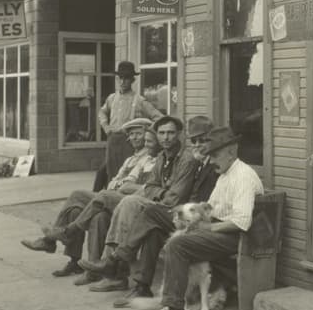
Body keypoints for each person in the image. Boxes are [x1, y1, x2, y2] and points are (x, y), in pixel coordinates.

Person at [82, 116, 218, 299]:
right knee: (105, 215)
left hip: (187, 217)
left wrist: (159, 193)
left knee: (132, 205)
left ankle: (114, 262)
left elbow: (175, 197)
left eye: (203, 140)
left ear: (178, 135)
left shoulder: (200, 163)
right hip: (177, 213)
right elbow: (150, 187)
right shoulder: (166, 158)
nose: (198, 145)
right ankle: (140, 286)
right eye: (194, 140)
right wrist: (161, 192)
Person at [155, 126, 264, 310]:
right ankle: (173, 300)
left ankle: (175, 309)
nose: (211, 160)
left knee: (178, 245)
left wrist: (206, 228)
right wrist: (190, 220)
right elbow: (210, 207)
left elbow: (241, 222)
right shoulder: (225, 175)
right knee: (175, 236)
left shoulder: (242, 176)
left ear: (231, 152)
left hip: (237, 236)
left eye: (215, 155)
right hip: (219, 228)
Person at [20, 118, 159, 277]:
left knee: (78, 195)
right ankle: (76, 262)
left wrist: (120, 185)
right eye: (131, 135)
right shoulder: (131, 159)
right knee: (78, 211)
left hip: (128, 202)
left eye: (139, 135)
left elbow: (130, 186)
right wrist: (119, 184)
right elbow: (116, 181)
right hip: (116, 196)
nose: (135, 138)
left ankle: (54, 238)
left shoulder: (150, 158)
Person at [93, 61, 163, 191]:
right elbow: (102, 112)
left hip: (129, 143)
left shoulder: (139, 100)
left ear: (132, 80)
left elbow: (158, 117)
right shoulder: (112, 98)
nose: (123, 81)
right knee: (109, 173)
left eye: (126, 78)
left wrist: (146, 132)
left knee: (127, 173)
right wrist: (105, 126)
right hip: (112, 141)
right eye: (120, 78)